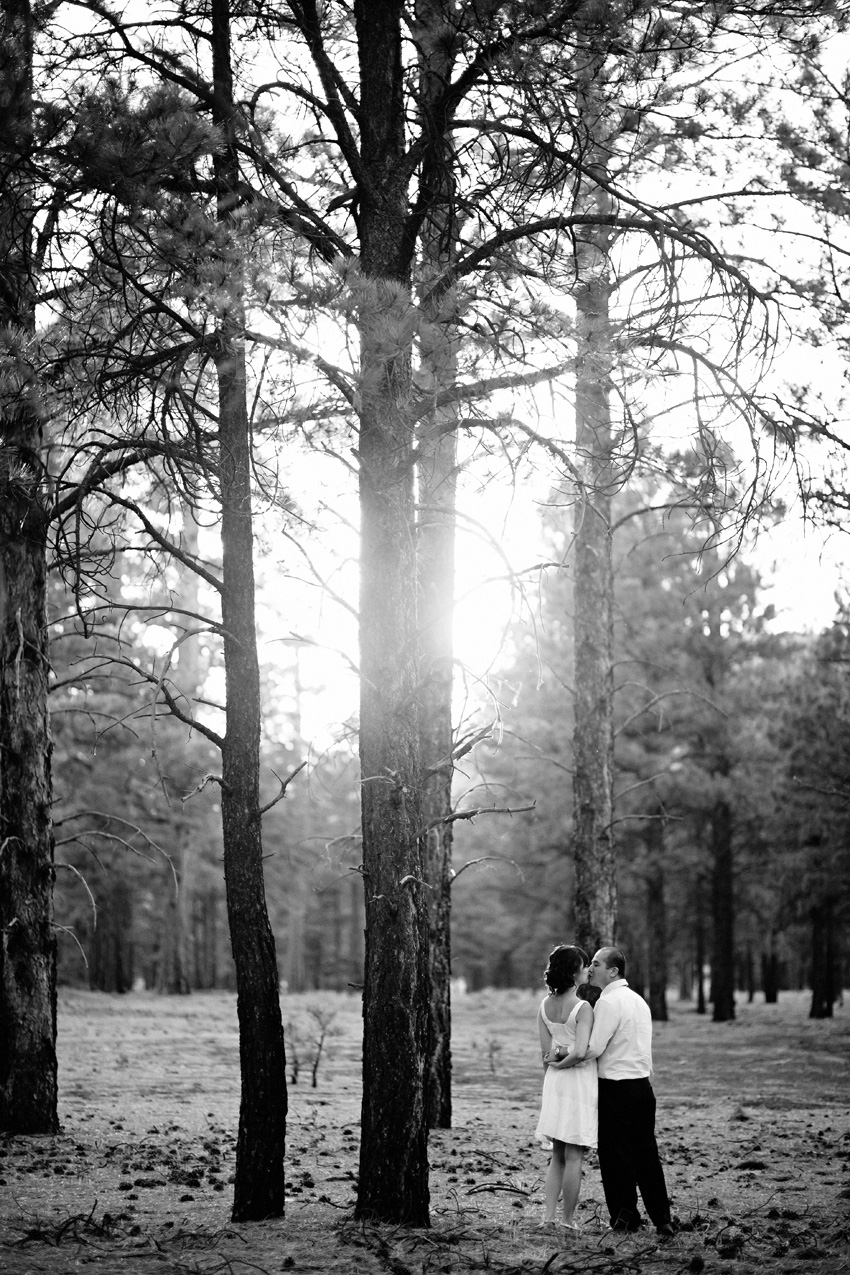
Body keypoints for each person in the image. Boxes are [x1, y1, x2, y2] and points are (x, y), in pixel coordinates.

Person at [584, 946, 674, 1237]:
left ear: (613, 971)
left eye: (596, 964)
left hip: (615, 1089)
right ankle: (663, 1218)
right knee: (647, 1154)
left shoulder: (608, 1002)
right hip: (642, 1088)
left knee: (615, 1156)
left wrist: (566, 1055)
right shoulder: (638, 1001)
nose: (590, 968)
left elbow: (595, 1048)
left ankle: (625, 1219)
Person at [535, 944, 598, 1230]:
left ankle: (548, 1217)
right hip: (576, 1081)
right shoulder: (583, 1008)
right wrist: (564, 1062)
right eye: (585, 966)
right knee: (574, 1155)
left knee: (557, 1154)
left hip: (555, 1083)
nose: (588, 971)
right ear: (574, 972)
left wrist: (556, 1062)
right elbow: (582, 1051)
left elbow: (546, 1053)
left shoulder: (545, 1006)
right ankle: (569, 1221)